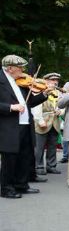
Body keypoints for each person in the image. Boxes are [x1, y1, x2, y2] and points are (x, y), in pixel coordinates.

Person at [0, 55, 50, 198]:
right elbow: (13, 106)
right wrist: (11, 107)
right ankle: (6, 188)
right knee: (10, 159)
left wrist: (44, 93)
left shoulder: (19, 82)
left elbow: (30, 102)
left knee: (25, 157)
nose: (23, 70)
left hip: (25, 125)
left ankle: (21, 185)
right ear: (10, 68)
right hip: (9, 127)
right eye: (20, 67)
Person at [32, 73, 63, 175]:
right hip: (43, 120)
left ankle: (51, 166)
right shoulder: (40, 90)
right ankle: (38, 166)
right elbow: (36, 106)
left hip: (55, 121)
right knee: (39, 146)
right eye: (52, 80)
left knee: (52, 145)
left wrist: (61, 111)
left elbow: (63, 105)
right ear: (46, 81)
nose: (55, 82)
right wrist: (40, 120)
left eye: (56, 80)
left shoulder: (59, 92)